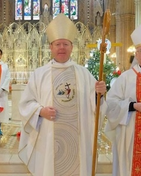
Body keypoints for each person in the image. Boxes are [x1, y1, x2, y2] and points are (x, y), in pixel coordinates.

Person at [18, 13, 107, 176]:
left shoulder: (84, 74)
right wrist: (40, 111)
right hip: (49, 136)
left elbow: (95, 106)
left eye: (65, 44)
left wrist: (98, 94)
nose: (61, 48)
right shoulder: (39, 74)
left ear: (72, 47)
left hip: (77, 140)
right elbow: (25, 104)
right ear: (50, 47)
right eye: (58, 44)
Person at [105, 18, 141, 176]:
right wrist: (132, 106)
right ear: (136, 54)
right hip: (131, 135)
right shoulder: (125, 77)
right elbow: (110, 104)